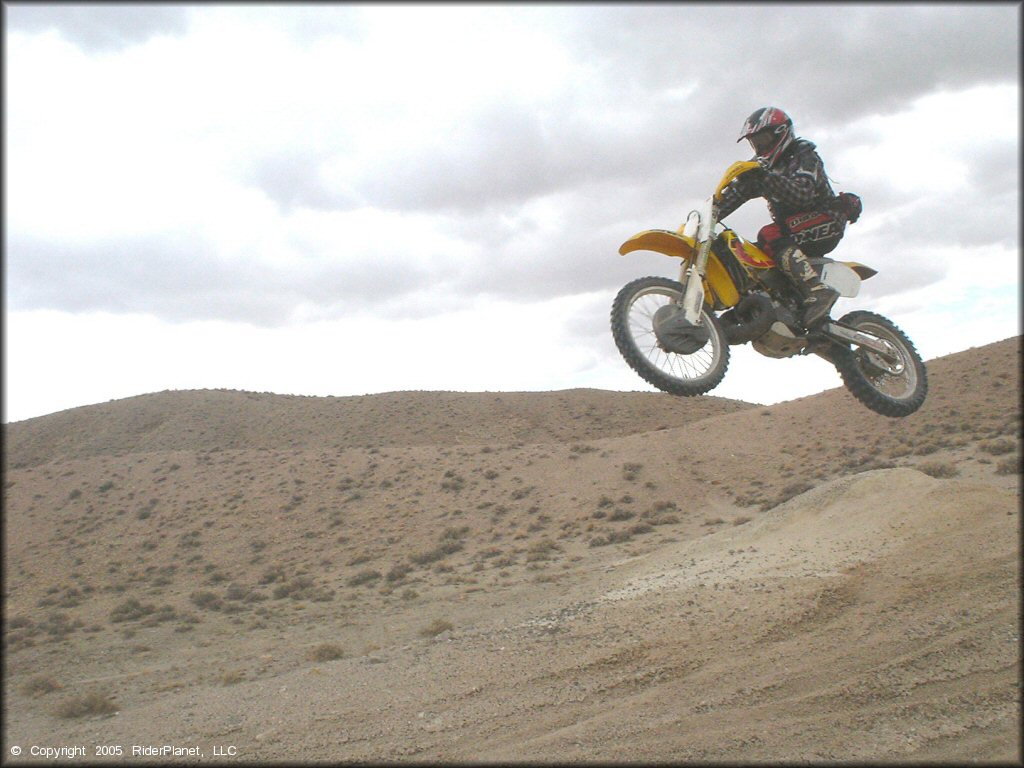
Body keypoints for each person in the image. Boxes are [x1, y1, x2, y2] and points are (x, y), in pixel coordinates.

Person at [718, 106, 859, 329]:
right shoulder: (761, 169)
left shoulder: (803, 154)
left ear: (781, 132)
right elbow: (735, 195)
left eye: (763, 139)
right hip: (794, 230)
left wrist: (764, 177)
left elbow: (802, 194)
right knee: (746, 256)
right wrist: (710, 213)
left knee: (769, 234)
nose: (760, 147)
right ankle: (766, 308)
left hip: (826, 218)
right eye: (755, 143)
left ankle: (817, 291)